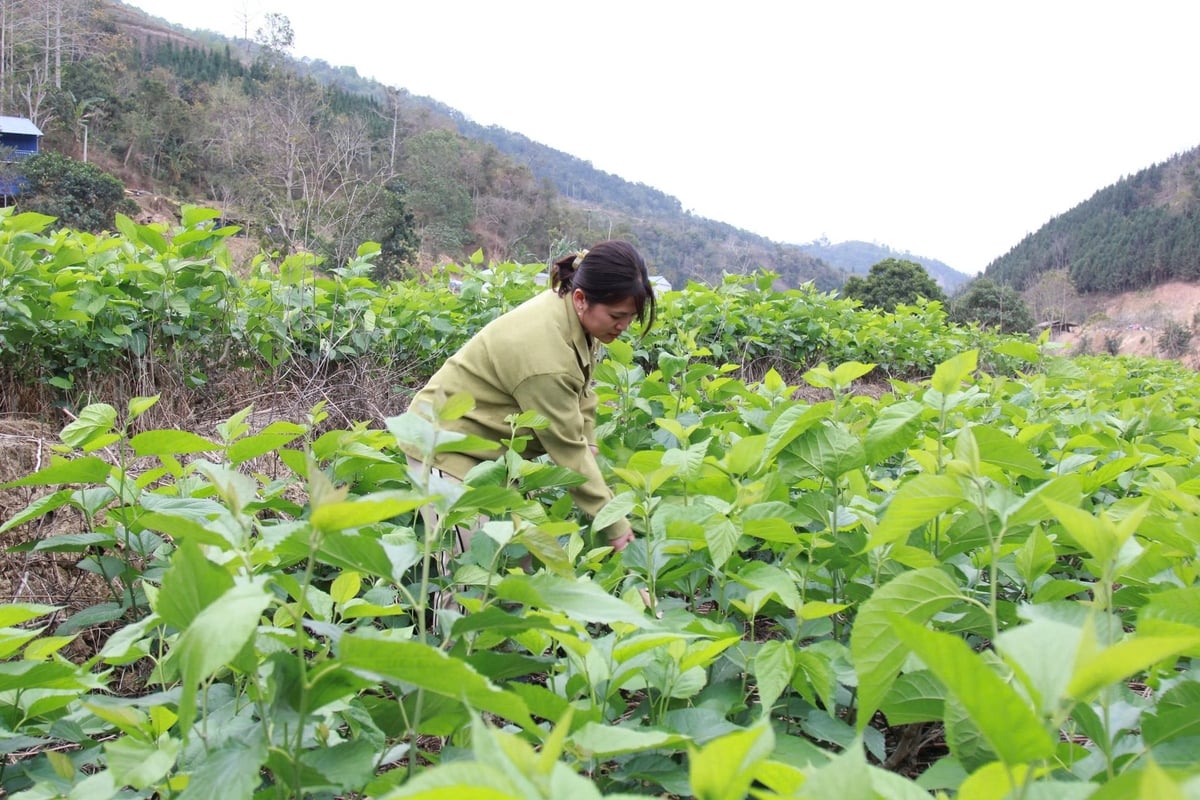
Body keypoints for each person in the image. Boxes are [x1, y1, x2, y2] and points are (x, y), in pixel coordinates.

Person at [403, 240, 657, 555]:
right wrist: (616, 527)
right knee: (473, 574)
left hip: (488, 453)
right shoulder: (546, 357)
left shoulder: (574, 314)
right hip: (443, 444)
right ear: (581, 299)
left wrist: (588, 437)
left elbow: (583, 391)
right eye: (617, 315)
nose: (624, 326)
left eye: (630, 317)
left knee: (515, 560)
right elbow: (568, 454)